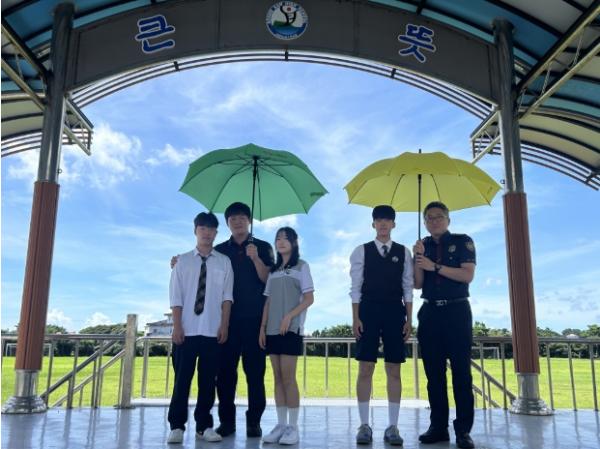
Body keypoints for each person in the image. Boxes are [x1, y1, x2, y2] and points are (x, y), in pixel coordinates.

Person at [171, 202, 273, 438]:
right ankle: (226, 422)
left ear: (249, 220)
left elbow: (269, 280)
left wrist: (256, 258)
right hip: (224, 322)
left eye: (242, 217)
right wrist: (177, 262)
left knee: (255, 373)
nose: (237, 222)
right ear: (226, 224)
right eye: (232, 218)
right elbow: (197, 268)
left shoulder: (263, 247)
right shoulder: (220, 251)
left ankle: (254, 421)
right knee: (224, 374)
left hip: (254, 320)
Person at [413, 201, 476, 449]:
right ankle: (438, 427)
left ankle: (463, 431)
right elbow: (418, 283)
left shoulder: (462, 241)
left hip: (457, 311)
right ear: (425, 222)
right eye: (429, 218)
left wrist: (435, 266)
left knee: (461, 373)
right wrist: (417, 259)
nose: (434, 221)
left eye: (439, 216)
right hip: (430, 312)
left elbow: (467, 275)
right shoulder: (423, 245)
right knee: (434, 375)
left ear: (448, 220)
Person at [167, 212, 233, 445]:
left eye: (211, 229)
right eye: (202, 228)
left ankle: (204, 426)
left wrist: (224, 325)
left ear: (216, 233)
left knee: (207, 383)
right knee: (181, 381)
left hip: (212, 331)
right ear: (195, 231)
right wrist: (177, 326)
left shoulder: (224, 262)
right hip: (186, 331)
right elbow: (176, 297)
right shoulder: (182, 261)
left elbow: (227, 297)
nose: (206, 232)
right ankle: (176, 426)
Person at [350, 205, 414, 446]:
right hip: (368, 311)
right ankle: (364, 425)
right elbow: (355, 287)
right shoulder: (361, 251)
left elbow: (408, 287)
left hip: (394, 312)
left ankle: (393, 426)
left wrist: (409, 319)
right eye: (379, 220)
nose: (383, 224)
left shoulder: (403, 252)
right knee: (365, 367)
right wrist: (356, 317)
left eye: (387, 220)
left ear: (394, 224)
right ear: (373, 224)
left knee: (394, 368)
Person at [258, 227, 314, 445]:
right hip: (271, 330)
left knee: (289, 378)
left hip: (291, 329)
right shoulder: (273, 271)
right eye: (278, 238)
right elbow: (268, 301)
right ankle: (281, 425)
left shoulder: (302, 266)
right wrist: (262, 328)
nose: (281, 242)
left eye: (285, 238)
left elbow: (309, 298)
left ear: (294, 242)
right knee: (278, 378)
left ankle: (293, 427)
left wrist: (289, 317)